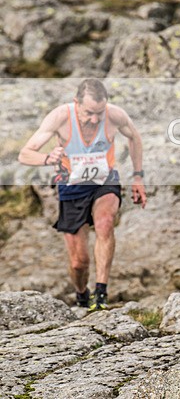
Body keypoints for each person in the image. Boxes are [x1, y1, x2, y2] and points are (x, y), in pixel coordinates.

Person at [18, 79, 147, 311]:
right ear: (76, 103)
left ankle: (101, 293)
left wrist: (138, 177)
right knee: (79, 263)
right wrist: (48, 159)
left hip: (104, 182)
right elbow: (25, 154)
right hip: (72, 187)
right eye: (89, 113)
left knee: (106, 222)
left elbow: (135, 137)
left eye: (100, 112)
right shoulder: (60, 117)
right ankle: (81, 293)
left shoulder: (115, 115)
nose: (95, 119)